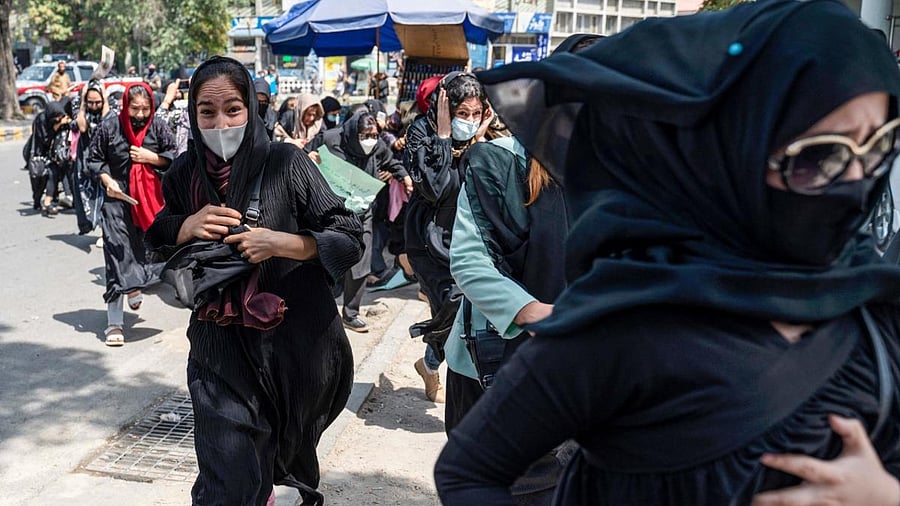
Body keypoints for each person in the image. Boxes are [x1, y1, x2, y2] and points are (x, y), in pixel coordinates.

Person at [434, 0, 900, 504]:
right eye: (820, 155)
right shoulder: (624, 318)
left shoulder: (872, 308)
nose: (856, 181)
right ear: (734, 147)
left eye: (879, 146)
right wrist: (534, 313)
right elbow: (470, 471)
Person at [146, 56, 363, 505]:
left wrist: (281, 243)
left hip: (294, 346)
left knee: (281, 459)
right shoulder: (185, 172)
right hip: (218, 348)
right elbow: (158, 237)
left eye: (232, 109)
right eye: (207, 112)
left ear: (250, 107)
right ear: (193, 115)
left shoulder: (286, 162)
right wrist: (186, 226)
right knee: (227, 477)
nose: (220, 124)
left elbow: (348, 236)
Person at [403, 72, 494, 403]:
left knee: (467, 307)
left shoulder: (478, 139)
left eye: (476, 113)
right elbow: (436, 188)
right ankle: (434, 365)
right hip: (427, 242)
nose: (469, 120)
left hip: (464, 237)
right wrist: (443, 137)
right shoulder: (421, 133)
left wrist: (478, 140)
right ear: (446, 107)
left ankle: (429, 363)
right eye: (462, 113)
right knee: (455, 302)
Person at [87, 82, 175, 346]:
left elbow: (174, 157)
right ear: (125, 105)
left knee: (145, 251)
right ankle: (114, 322)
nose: (140, 114)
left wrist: (151, 157)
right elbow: (94, 159)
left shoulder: (158, 126)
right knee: (116, 254)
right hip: (116, 201)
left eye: (145, 109)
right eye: (135, 108)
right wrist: (107, 181)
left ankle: (135, 285)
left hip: (148, 202)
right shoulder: (109, 127)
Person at [304, 110, 408, 332]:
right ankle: (322, 308)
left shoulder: (378, 146)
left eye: (374, 135)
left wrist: (405, 178)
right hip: (331, 212)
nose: (370, 140)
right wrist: (308, 157)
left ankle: (351, 313)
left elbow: (392, 163)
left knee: (362, 261)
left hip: (362, 211)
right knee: (326, 259)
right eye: (364, 135)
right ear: (353, 133)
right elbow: (304, 154)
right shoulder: (330, 138)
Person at [73, 80, 111, 234]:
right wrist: (83, 103)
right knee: (86, 194)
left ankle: (105, 232)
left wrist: (105, 100)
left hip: (105, 158)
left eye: (98, 102)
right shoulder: (79, 107)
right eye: (91, 102)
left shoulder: (111, 105)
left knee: (106, 194)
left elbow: (107, 122)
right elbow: (82, 127)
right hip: (85, 158)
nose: (94, 106)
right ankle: (90, 223)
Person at [26, 100, 72, 215]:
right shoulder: (41, 120)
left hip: (52, 155)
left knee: (53, 174)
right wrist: (57, 125)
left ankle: (48, 203)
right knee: (39, 181)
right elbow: (45, 140)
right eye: (57, 117)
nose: (58, 119)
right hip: (39, 154)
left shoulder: (57, 120)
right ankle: (37, 201)